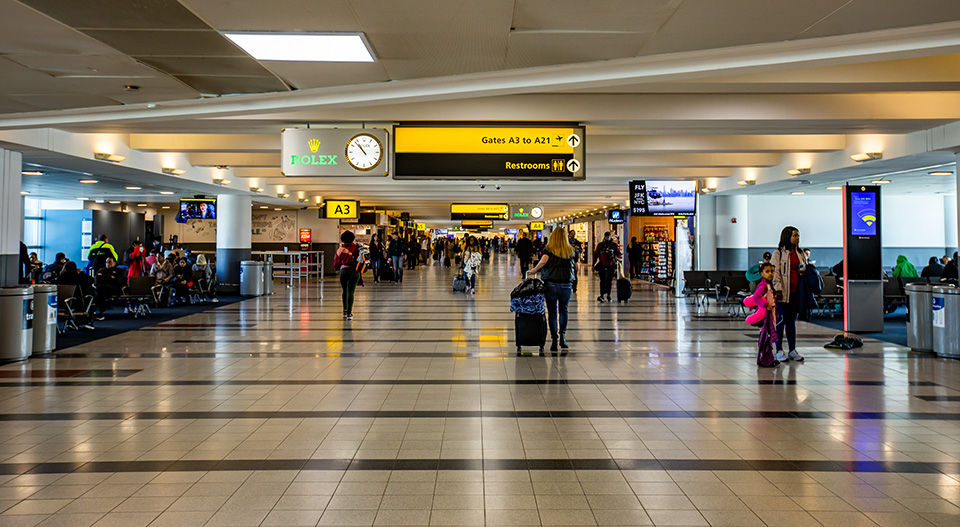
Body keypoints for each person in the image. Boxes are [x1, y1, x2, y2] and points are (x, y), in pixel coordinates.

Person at [529, 228, 578, 352]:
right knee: (564, 309)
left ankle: (554, 339)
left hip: (551, 283)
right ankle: (563, 336)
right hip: (566, 284)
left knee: (552, 311)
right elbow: (576, 267)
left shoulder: (549, 249)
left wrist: (535, 269)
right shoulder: (571, 250)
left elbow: (543, 261)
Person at [771, 226, 807, 363]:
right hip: (784, 293)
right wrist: (778, 288)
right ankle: (779, 350)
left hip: (796, 292)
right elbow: (776, 273)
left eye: (798, 236)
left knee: (791, 321)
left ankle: (792, 350)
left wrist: (804, 272)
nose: (797, 238)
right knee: (781, 320)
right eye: (795, 236)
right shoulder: (778, 254)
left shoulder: (800, 253)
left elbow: (804, 267)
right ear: (788, 237)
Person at [747, 262, 780, 367]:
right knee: (765, 336)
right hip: (765, 314)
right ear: (761, 274)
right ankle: (765, 359)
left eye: (772, 271)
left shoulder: (769, 285)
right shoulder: (762, 286)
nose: (770, 274)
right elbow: (756, 297)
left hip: (771, 313)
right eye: (767, 271)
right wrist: (766, 305)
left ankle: (768, 358)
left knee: (768, 336)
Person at [333, 230, 361, 320]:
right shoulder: (357, 248)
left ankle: (344, 311)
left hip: (344, 270)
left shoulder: (340, 249)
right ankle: (349, 313)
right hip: (355, 271)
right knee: (351, 291)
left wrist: (337, 268)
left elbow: (336, 262)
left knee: (345, 290)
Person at [593, 231, 621, 303]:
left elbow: (618, 253)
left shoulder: (614, 245)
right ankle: (602, 295)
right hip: (602, 265)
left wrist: (617, 257)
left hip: (611, 265)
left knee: (609, 280)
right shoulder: (600, 245)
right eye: (606, 236)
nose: (607, 238)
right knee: (602, 280)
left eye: (608, 236)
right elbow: (596, 254)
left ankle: (608, 295)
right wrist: (593, 264)